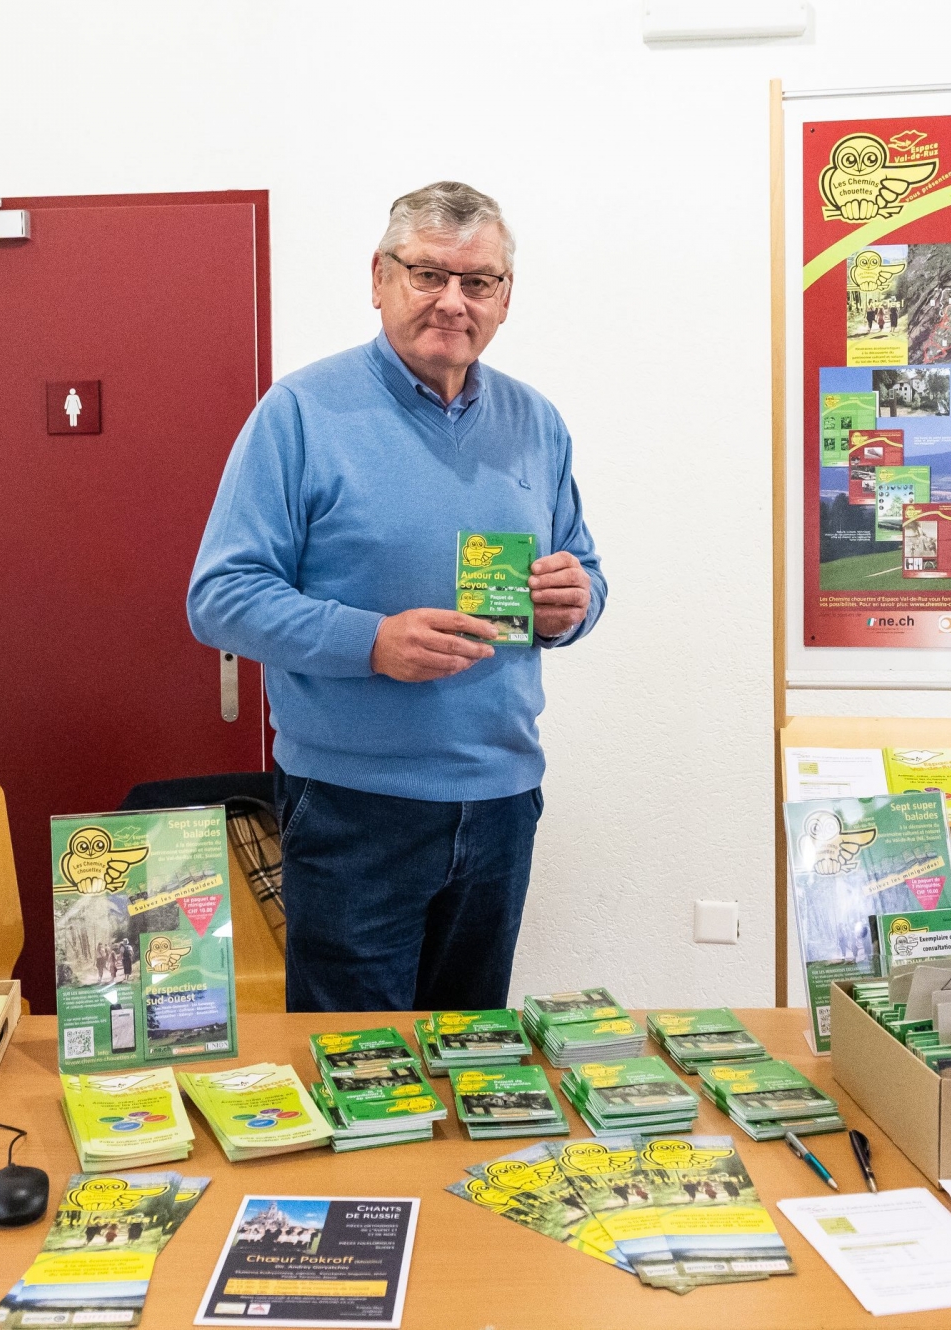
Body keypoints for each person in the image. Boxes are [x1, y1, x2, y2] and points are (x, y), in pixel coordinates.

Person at [186, 181, 606, 1012]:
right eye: (427, 275)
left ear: (504, 298)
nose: (453, 301)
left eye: (477, 281)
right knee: (359, 1079)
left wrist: (576, 602)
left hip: (500, 803)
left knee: (473, 1072)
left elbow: (586, 572)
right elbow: (221, 596)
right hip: (353, 813)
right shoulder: (299, 414)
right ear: (379, 278)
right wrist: (370, 642)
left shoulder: (538, 423)